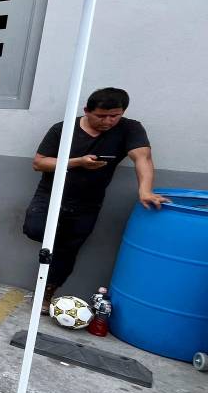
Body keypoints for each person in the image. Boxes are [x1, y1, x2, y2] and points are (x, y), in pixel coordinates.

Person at [23, 87, 167, 313]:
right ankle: (58, 246)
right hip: (50, 195)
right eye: (101, 116)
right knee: (35, 229)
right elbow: (39, 163)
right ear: (87, 111)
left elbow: (143, 157)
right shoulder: (64, 128)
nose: (108, 121)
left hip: (88, 203)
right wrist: (78, 161)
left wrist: (145, 190)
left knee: (68, 251)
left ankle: (46, 294)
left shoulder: (130, 128)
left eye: (114, 116)